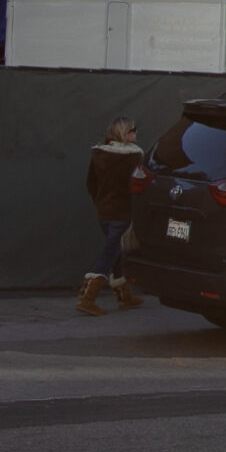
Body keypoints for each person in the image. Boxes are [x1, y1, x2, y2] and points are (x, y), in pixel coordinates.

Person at [78, 118, 146, 317]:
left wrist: (100, 202)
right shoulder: (134, 156)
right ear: (123, 133)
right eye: (132, 130)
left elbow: (91, 183)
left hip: (104, 212)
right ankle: (87, 298)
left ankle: (124, 297)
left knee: (115, 250)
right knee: (110, 253)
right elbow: (136, 186)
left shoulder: (99, 154)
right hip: (122, 212)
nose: (135, 133)